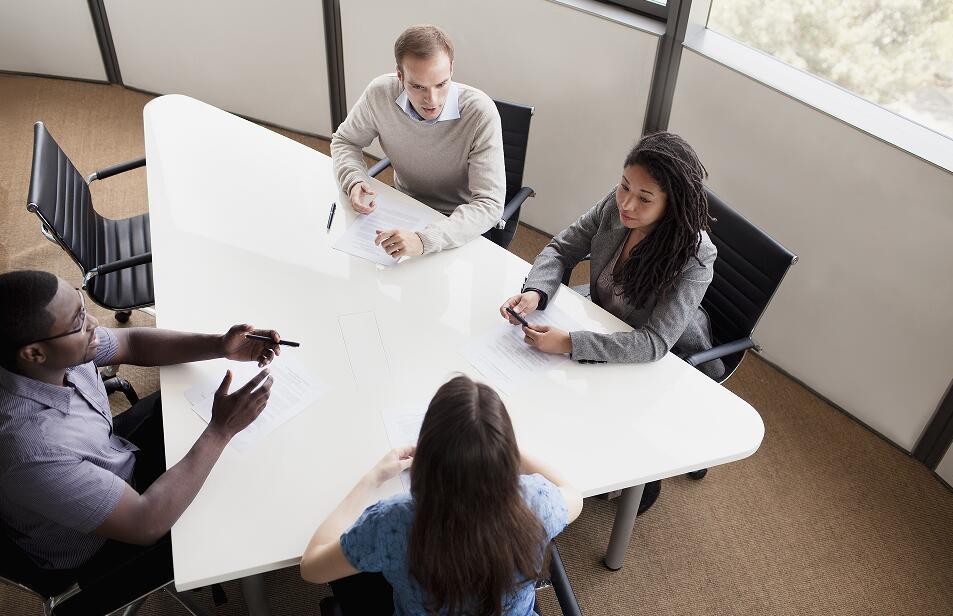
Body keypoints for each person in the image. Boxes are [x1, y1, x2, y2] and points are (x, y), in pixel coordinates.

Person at [0, 270, 280, 604]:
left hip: (108, 453)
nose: (93, 324)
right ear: (34, 353)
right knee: (243, 495)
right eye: (78, 321)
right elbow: (146, 521)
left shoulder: (58, 351)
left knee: (188, 406)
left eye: (81, 306)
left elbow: (130, 343)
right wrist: (222, 429)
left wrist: (220, 345)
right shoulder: (32, 451)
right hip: (102, 544)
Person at [300, 375, 583, 616]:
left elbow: (311, 568)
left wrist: (371, 479)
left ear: (427, 454)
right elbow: (574, 496)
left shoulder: (394, 521)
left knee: (351, 578)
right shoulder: (536, 503)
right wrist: (494, 451)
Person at [499, 131, 724, 381]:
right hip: (601, 320)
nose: (626, 204)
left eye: (644, 199)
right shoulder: (613, 205)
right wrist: (536, 291)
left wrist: (570, 343)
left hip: (660, 357)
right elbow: (562, 249)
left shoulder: (696, 255)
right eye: (625, 186)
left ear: (671, 205)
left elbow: (655, 342)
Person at [331, 24, 506, 259]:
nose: (431, 100)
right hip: (402, 206)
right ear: (400, 76)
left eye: (441, 84)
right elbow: (345, 141)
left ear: (452, 69)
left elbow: (489, 204)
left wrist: (424, 240)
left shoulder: (480, 113)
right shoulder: (380, 93)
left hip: (457, 222)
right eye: (417, 86)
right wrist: (353, 179)